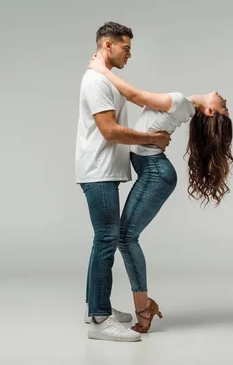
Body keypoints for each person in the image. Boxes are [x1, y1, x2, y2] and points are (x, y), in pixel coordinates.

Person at [87, 53, 233, 333]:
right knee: (124, 237)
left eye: (224, 109)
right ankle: (141, 307)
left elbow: (132, 94)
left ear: (210, 112)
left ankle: (143, 308)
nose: (226, 102)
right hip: (155, 172)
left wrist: (100, 69)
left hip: (156, 173)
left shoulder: (179, 102)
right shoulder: (184, 107)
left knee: (125, 238)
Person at [76, 22, 171, 342]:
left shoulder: (106, 79)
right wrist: (152, 139)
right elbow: (110, 131)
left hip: (105, 170)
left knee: (103, 239)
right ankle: (100, 320)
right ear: (107, 46)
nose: (129, 54)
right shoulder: (96, 82)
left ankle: (96, 306)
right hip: (99, 171)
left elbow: (134, 98)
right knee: (106, 239)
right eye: (125, 48)